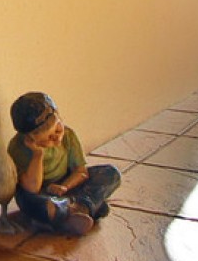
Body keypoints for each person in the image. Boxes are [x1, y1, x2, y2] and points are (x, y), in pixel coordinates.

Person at [7, 91, 122, 235]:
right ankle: (83, 208)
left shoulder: (68, 135)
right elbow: (32, 188)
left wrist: (64, 186)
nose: (56, 140)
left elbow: (81, 172)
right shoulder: (18, 147)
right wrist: (38, 154)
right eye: (48, 138)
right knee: (34, 203)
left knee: (111, 174)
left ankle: (74, 210)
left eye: (58, 129)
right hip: (42, 193)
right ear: (30, 139)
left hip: (67, 187)